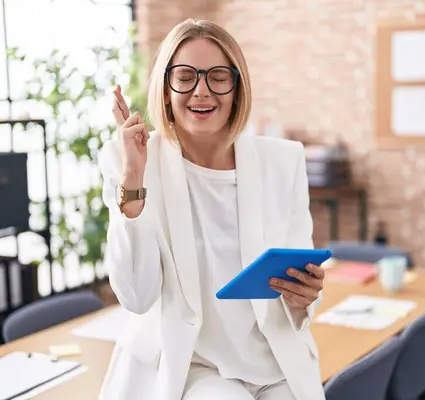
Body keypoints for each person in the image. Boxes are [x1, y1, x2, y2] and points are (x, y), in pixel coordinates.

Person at [97, 18, 326, 400]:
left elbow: (296, 282)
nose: (201, 91)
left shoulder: (284, 161)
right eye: (185, 76)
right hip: (192, 365)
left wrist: (304, 296)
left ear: (237, 87)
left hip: (276, 361)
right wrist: (134, 176)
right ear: (165, 87)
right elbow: (137, 297)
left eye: (218, 77)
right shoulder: (132, 161)